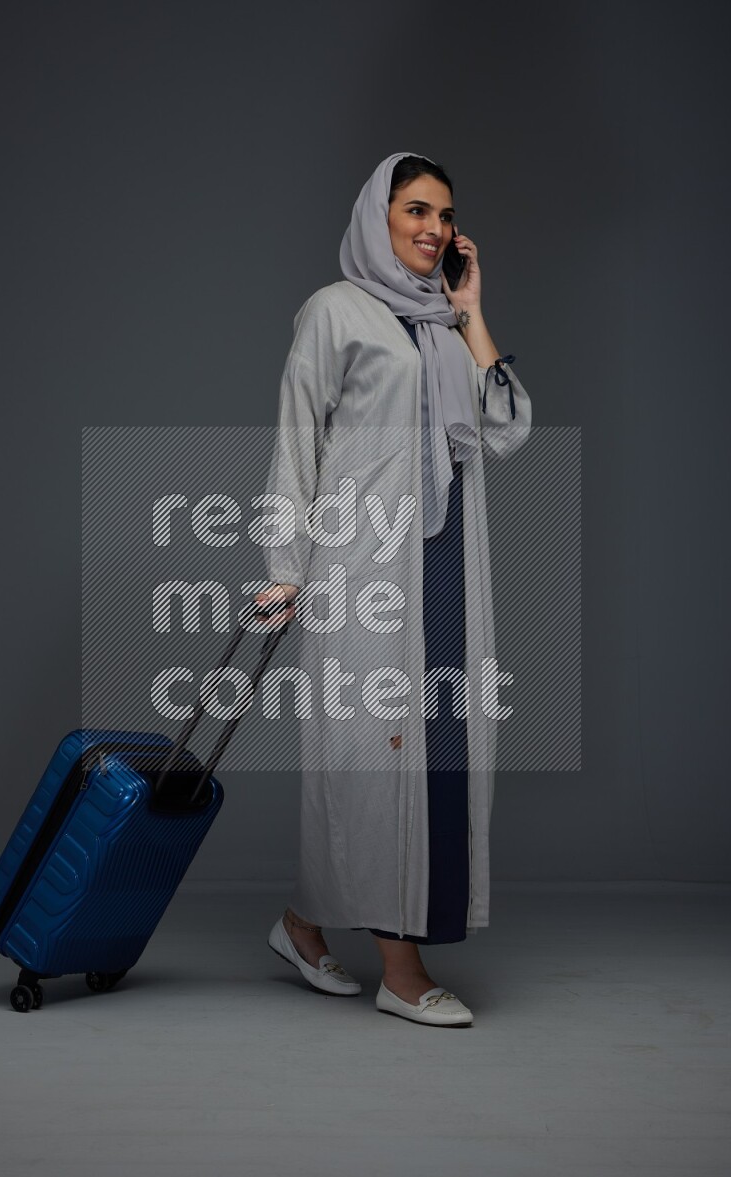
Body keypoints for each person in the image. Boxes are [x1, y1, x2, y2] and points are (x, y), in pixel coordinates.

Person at [254, 151, 532, 1027]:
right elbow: (296, 437)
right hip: (364, 566)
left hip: (444, 563)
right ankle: (401, 969)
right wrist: (284, 569)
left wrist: (472, 312)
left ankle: (302, 924)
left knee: (436, 751)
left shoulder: (446, 323)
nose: (434, 229)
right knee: (374, 762)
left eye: (444, 215)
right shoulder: (335, 311)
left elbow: (507, 430)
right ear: (378, 216)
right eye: (415, 209)